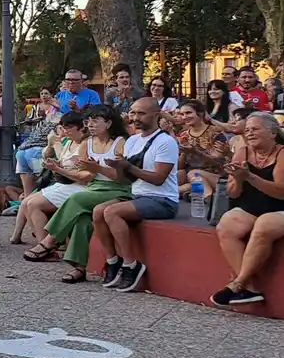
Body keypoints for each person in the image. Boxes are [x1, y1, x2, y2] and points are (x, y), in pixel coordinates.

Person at [85, 97, 181, 292]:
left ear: (155, 115)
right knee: (98, 211)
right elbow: (125, 180)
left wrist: (128, 166)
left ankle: (131, 265)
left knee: (112, 212)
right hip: (137, 195)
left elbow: (158, 179)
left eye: (141, 113)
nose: (135, 117)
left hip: (163, 200)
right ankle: (113, 261)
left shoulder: (166, 142)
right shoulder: (133, 141)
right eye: (133, 113)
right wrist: (114, 168)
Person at [38, 105, 130, 284]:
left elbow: (123, 178)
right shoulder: (87, 144)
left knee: (76, 198)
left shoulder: (120, 142)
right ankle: (79, 269)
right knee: (82, 219)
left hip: (118, 189)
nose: (90, 125)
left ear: (109, 123)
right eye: (88, 121)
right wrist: (58, 168)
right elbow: (85, 176)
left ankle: (50, 240)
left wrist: (98, 168)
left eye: (95, 121)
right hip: (94, 187)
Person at [212, 113, 284, 307]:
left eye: (255, 129)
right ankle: (250, 288)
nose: (250, 133)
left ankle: (238, 283)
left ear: (272, 132)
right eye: (247, 130)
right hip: (254, 206)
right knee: (226, 225)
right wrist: (239, 179)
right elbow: (234, 195)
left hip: (280, 207)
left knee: (265, 224)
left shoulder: (282, 153)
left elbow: (281, 193)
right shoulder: (242, 152)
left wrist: (251, 177)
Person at [16, 113, 92, 250]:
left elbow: (85, 175)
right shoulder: (68, 142)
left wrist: (58, 168)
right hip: (63, 183)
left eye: (70, 127)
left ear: (81, 128)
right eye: (64, 127)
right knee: (26, 202)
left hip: (78, 186)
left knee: (34, 204)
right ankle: (44, 242)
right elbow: (50, 155)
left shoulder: (85, 144)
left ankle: (46, 246)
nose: (66, 131)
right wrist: (56, 163)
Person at [174, 98, 232, 202]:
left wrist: (196, 152)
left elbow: (218, 162)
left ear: (200, 113)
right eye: (182, 114)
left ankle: (208, 197)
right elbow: (180, 166)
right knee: (179, 174)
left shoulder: (215, 133)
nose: (185, 117)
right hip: (191, 175)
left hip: (215, 175)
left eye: (188, 113)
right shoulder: (184, 135)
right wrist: (184, 153)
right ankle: (190, 192)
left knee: (194, 174)